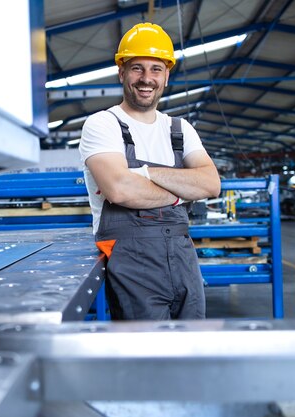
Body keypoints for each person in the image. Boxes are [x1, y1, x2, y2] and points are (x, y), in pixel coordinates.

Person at [79, 22, 221, 320]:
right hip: (131, 259)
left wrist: (143, 173)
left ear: (167, 76)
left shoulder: (181, 129)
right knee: (145, 351)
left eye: (156, 69)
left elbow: (210, 185)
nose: (147, 79)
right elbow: (119, 189)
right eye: (137, 68)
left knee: (192, 343)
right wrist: (180, 193)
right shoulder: (102, 124)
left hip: (183, 256)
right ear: (121, 72)